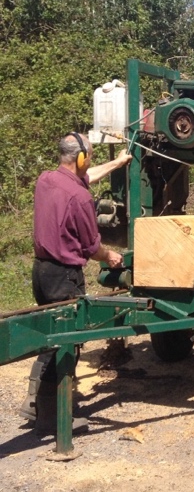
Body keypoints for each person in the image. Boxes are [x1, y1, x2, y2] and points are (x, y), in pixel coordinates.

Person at [20, 132, 132, 433]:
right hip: (64, 275)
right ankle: (54, 418)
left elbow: (84, 178)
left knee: (49, 337)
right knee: (65, 343)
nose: (90, 160)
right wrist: (110, 256)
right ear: (81, 157)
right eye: (90, 154)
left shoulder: (46, 179)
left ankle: (35, 403)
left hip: (41, 271)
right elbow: (90, 248)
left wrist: (117, 163)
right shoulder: (81, 198)